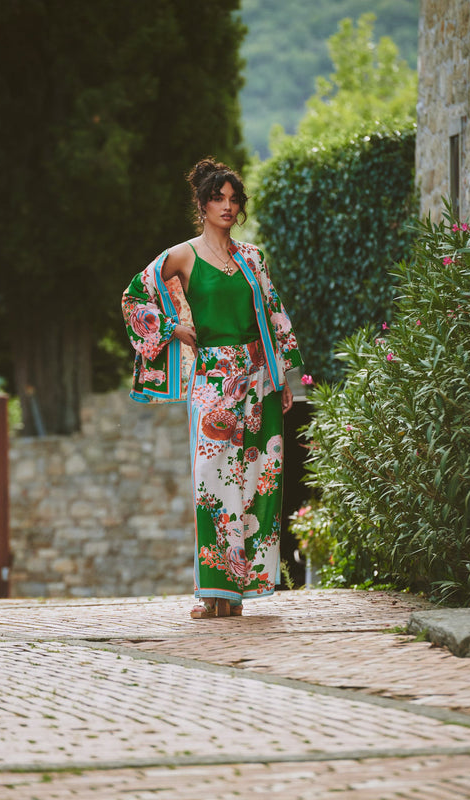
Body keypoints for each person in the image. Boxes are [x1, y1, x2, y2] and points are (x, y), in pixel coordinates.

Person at [122, 158, 302, 619]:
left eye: (233, 199)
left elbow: (274, 315)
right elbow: (134, 297)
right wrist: (172, 329)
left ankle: (242, 591)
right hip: (213, 382)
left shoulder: (252, 257)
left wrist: (284, 377)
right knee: (212, 484)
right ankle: (213, 594)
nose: (227, 206)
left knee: (258, 481)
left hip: (259, 379)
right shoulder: (182, 255)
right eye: (217, 198)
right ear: (201, 204)